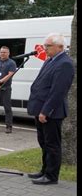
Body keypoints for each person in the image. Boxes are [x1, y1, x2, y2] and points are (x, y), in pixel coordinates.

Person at [27, 33, 74, 185]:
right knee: (44, 142)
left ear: (60, 47)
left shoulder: (65, 63)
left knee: (52, 144)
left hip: (51, 112)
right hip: (40, 109)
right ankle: (44, 170)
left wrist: (45, 111)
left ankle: (51, 176)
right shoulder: (50, 61)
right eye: (45, 45)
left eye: (48, 46)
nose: (44, 48)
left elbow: (58, 91)